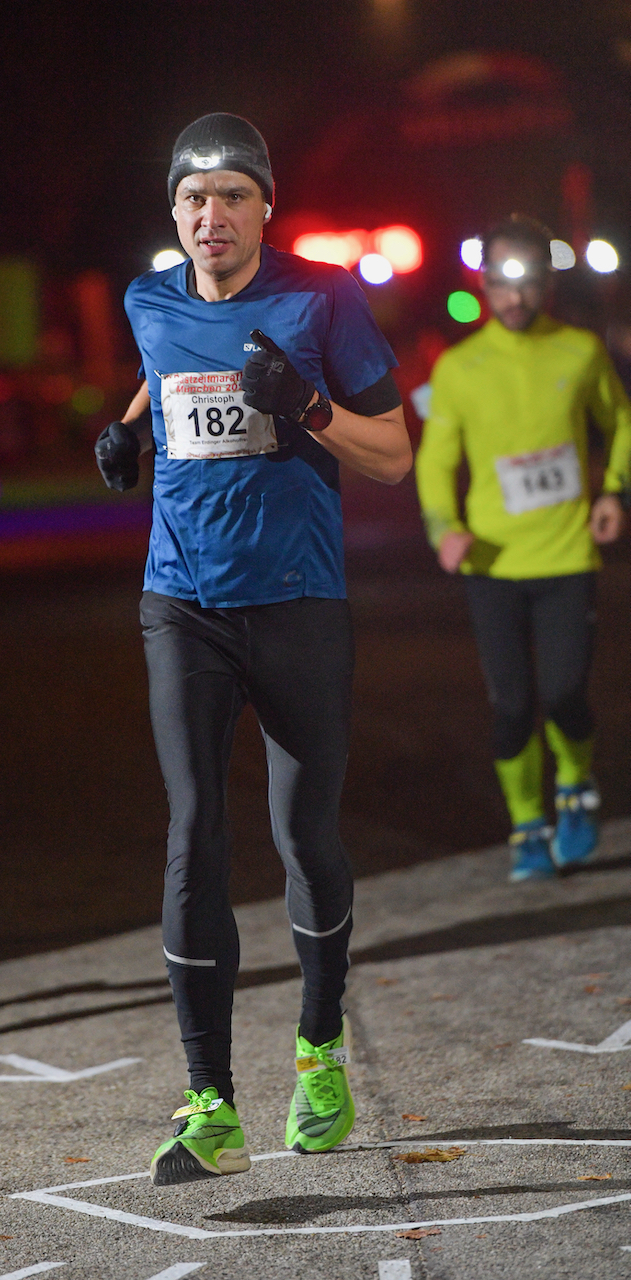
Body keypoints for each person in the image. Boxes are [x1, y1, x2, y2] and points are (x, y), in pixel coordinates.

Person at [95, 114, 411, 1185]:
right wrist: (129, 428)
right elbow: (164, 359)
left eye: (231, 194)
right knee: (193, 827)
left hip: (298, 603)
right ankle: (208, 1101)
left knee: (302, 832)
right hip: (179, 601)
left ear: (264, 205)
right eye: (192, 198)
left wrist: (308, 404)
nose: (209, 215)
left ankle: (319, 1052)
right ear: (173, 213)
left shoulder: (318, 299)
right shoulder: (148, 296)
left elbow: (393, 456)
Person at [416, 215, 631, 883]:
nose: (516, 297)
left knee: (565, 692)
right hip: (492, 563)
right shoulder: (458, 368)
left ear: (548, 283)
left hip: (566, 556)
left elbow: (620, 421)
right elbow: (435, 459)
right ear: (483, 285)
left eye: (530, 282)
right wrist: (442, 526)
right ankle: (527, 824)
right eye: (503, 283)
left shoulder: (580, 352)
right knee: (511, 705)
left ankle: (574, 787)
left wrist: (614, 493)